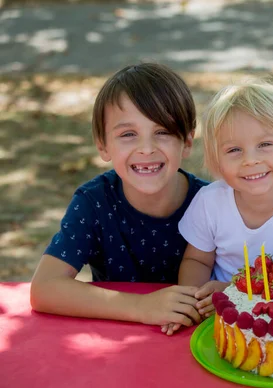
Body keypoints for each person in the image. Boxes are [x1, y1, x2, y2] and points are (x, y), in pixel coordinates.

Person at [30, 63, 211, 333]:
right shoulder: (94, 203)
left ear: (186, 141)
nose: (147, 149)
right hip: (116, 341)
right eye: (128, 134)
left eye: (162, 132)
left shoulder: (214, 203)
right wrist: (141, 307)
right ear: (103, 145)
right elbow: (44, 288)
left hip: (193, 343)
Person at [177, 80, 273, 321]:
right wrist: (194, 301)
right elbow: (197, 259)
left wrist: (234, 292)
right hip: (219, 316)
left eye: (265, 145)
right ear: (217, 158)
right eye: (234, 150)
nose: (250, 160)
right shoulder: (209, 201)